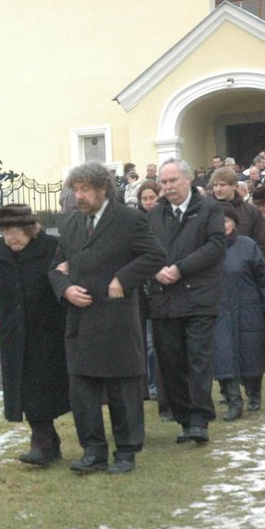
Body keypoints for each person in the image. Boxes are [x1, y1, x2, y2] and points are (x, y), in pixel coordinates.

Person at [49, 162, 166, 474]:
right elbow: (55, 267)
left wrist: (123, 279)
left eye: (85, 189)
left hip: (116, 318)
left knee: (122, 389)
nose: (79, 196)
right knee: (83, 389)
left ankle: (126, 451)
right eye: (75, 189)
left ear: (103, 189)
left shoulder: (129, 219)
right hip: (81, 320)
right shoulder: (72, 224)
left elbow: (155, 255)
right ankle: (93, 451)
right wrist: (66, 289)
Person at [0, 204, 69, 466]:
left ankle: (47, 444)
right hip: (16, 332)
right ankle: (45, 444)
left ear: (29, 229)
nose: (10, 238)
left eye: (14, 232)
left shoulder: (51, 247)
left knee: (45, 388)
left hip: (49, 329)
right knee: (26, 390)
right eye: (5, 233)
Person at [147, 158, 226, 445]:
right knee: (170, 361)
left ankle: (199, 420)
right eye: (163, 182)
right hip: (163, 299)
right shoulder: (155, 214)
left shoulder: (209, 208)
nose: (168, 187)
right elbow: (145, 248)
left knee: (198, 358)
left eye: (173, 181)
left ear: (188, 179)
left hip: (198, 297)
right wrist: (155, 269)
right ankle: (183, 416)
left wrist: (180, 268)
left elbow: (215, 246)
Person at [213, 203, 265, 419]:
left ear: (233, 223)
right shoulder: (207, 248)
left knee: (251, 352)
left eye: (226, 221)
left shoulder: (247, 245)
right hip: (219, 310)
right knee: (222, 354)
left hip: (249, 307)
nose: (222, 225)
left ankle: (254, 393)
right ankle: (233, 401)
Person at [136, 181, 169, 420]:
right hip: (141, 291)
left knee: (155, 344)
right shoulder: (136, 222)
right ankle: (148, 385)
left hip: (160, 287)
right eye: (144, 198)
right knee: (145, 344)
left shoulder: (163, 221)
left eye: (152, 197)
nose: (148, 202)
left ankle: (157, 385)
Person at [209, 166, 265, 262]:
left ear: (234, 186)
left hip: (243, 269)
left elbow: (261, 245)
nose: (218, 189)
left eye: (222, 185)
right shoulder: (206, 211)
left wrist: (249, 267)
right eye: (215, 185)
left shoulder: (251, 212)